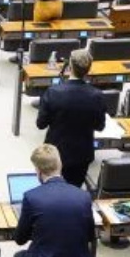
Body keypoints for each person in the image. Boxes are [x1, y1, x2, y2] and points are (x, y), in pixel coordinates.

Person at [35, 49, 104, 189]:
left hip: (55, 154)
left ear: (70, 67)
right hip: (81, 155)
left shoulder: (53, 92)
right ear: (88, 69)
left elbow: (41, 124)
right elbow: (100, 126)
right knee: (73, 189)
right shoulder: (97, 95)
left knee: (50, 190)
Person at [13, 144, 95, 257]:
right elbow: (90, 235)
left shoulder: (31, 197)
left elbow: (20, 239)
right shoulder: (84, 196)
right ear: (60, 165)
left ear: (38, 171)